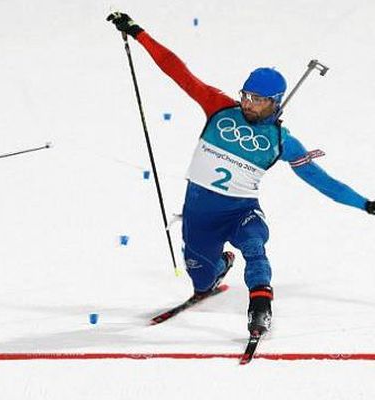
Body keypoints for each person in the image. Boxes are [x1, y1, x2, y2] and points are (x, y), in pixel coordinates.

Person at [107, 12, 375, 335]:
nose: (247, 103)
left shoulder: (281, 143)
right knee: (201, 280)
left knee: (254, 245)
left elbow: (322, 181)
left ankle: (260, 307)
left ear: (274, 103)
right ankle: (220, 266)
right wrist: (138, 33)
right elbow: (177, 70)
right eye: (246, 95)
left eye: (257, 100)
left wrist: (366, 204)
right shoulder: (219, 107)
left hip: (241, 211)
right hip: (199, 215)